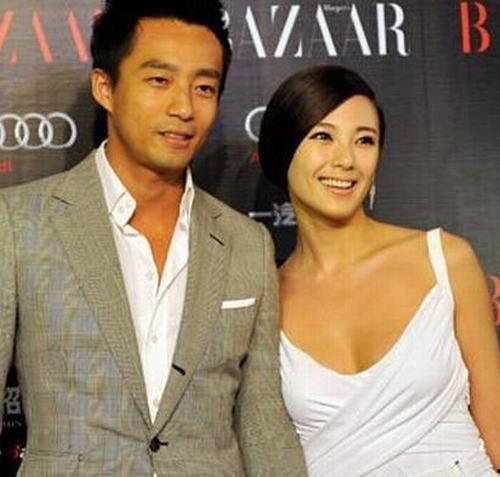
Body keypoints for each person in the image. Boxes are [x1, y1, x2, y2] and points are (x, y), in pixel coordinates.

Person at [0, 1, 307, 476]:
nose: (184, 107)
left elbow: (262, 420)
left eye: (204, 87)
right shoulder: (19, 223)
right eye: (160, 80)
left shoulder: (247, 243)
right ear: (105, 87)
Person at [258, 65, 500, 476]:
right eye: (323, 136)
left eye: (364, 140)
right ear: (284, 150)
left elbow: (495, 434)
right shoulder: (266, 297)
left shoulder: (445, 259)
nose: (346, 160)